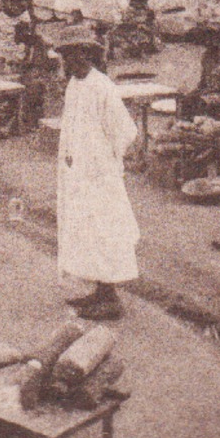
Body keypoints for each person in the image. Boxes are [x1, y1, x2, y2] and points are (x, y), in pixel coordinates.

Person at [55, 32, 140, 321]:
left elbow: (125, 130)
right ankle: (99, 292)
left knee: (104, 229)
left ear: (86, 55)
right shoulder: (74, 86)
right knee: (85, 230)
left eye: (73, 55)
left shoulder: (101, 86)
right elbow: (70, 126)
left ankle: (111, 296)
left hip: (100, 174)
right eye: (65, 57)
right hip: (77, 173)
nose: (68, 62)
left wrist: (107, 160)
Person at [178, 32, 220, 124]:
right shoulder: (207, 58)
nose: (208, 43)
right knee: (187, 103)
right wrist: (191, 95)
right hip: (211, 97)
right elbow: (204, 84)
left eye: (213, 41)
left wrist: (210, 99)